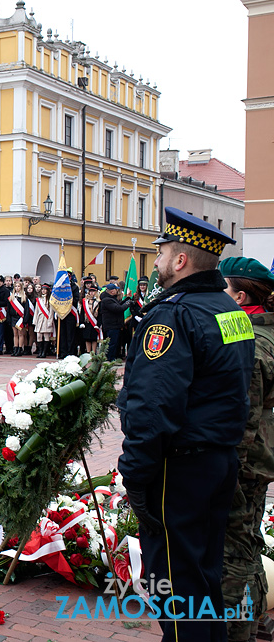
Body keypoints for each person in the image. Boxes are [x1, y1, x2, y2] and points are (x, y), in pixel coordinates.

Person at [118, 207, 254, 641]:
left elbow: (153, 406)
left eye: (161, 254)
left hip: (179, 468)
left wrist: (136, 473)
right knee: (203, 574)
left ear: (180, 261)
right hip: (218, 460)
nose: (155, 262)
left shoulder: (173, 315)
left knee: (176, 585)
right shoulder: (226, 309)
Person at [218, 257, 274, 642]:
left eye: (222, 288)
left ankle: (238, 631)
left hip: (246, 463)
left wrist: (226, 474)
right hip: (260, 459)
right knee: (248, 546)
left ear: (240, 296)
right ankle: (253, 623)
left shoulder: (251, 345)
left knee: (235, 554)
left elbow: (245, 420)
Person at [98, 283, 132, 361]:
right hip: (111, 325)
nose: (117, 291)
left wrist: (127, 299)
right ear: (112, 291)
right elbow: (118, 309)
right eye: (116, 289)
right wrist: (128, 304)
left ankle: (113, 357)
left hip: (115, 325)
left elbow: (119, 304)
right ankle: (110, 358)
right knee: (112, 343)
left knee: (115, 343)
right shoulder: (107, 300)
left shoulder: (111, 298)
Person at [32, 283, 55, 358]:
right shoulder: (39, 299)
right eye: (43, 289)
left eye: (45, 289)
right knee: (39, 335)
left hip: (46, 318)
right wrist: (35, 321)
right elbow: (36, 310)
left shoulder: (50, 299)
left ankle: (44, 352)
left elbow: (51, 312)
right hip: (40, 319)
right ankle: (40, 351)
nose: (43, 291)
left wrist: (50, 321)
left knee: (46, 335)